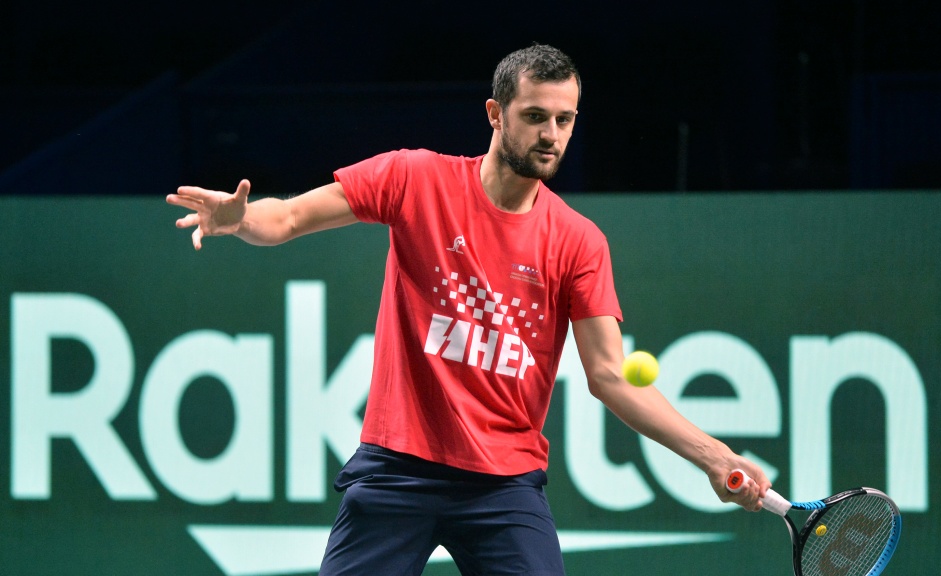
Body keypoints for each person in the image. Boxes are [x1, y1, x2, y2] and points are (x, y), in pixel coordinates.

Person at [167, 44, 770, 576]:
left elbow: (610, 377)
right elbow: (289, 217)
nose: (551, 135)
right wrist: (242, 218)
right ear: (495, 114)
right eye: (535, 117)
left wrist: (715, 457)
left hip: (504, 486)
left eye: (564, 120)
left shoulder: (579, 241)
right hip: (398, 467)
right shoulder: (413, 178)